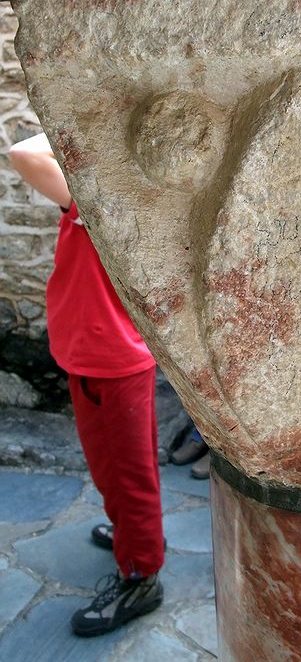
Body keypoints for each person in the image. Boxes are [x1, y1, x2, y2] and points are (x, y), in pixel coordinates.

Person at [10, 132, 165, 636]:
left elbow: (25, 153)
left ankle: (141, 575)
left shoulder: (97, 202)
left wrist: (70, 112)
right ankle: (131, 536)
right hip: (101, 358)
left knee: (124, 474)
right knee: (117, 469)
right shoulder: (106, 200)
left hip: (109, 364)